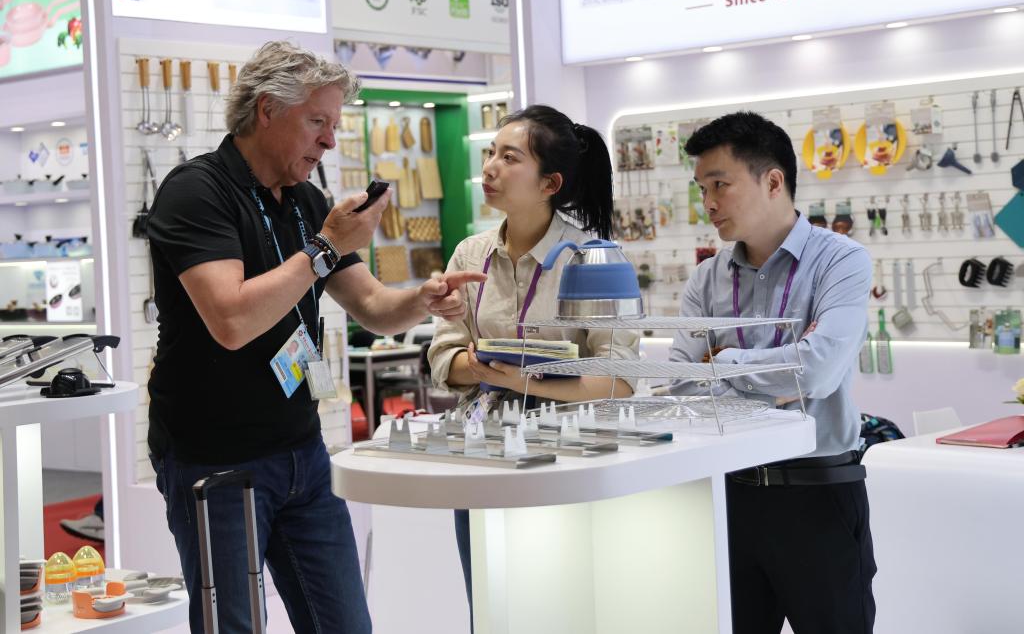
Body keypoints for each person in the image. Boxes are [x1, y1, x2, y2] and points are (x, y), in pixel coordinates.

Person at [145, 40, 484, 634]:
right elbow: (231, 321)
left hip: (302, 451)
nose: (330, 139)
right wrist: (326, 246)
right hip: (217, 461)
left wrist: (422, 300)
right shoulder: (196, 191)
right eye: (318, 122)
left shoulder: (306, 201)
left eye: (334, 123)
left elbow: (373, 306)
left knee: (346, 625)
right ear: (267, 110)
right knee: (234, 626)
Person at [427, 105, 639, 625]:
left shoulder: (592, 257)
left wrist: (526, 379)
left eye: (509, 157)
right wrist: (476, 366)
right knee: (488, 604)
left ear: (550, 183)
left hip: (564, 454)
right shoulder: (470, 254)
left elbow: (619, 377)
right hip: (480, 449)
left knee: (557, 606)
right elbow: (443, 358)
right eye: (490, 154)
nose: (490, 168)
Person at [669, 111, 875, 634]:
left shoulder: (840, 261)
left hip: (818, 493)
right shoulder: (705, 279)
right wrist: (781, 376)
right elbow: (682, 385)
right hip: (727, 496)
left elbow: (818, 372)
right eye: (701, 189)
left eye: (720, 185)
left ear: (773, 181)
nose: (708, 203)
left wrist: (723, 363)